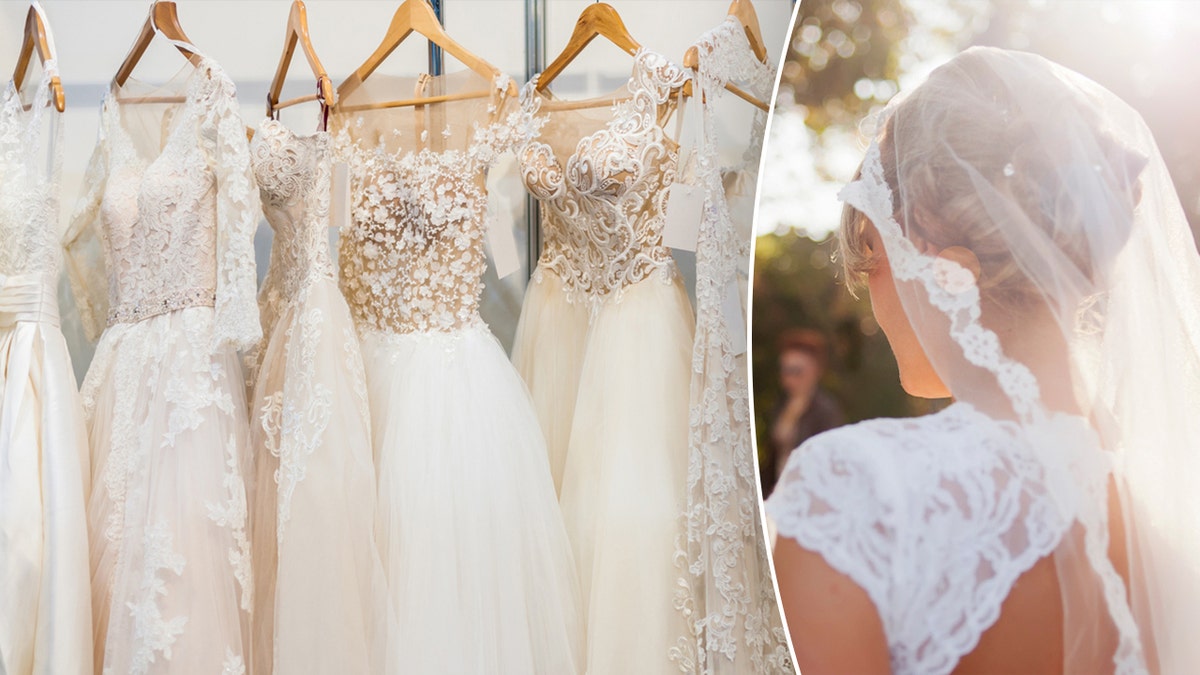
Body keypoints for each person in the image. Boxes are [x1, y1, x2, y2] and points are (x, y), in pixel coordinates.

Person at [766, 46, 1200, 675]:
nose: (868, 295)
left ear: (940, 266)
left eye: (871, 254)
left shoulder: (861, 492)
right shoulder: (1170, 519)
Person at [764, 329, 843, 497]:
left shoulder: (825, 410)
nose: (788, 378)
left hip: (809, 495)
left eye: (796, 370)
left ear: (815, 371)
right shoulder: (781, 404)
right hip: (778, 493)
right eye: (785, 370)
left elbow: (827, 463)